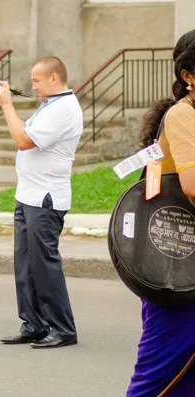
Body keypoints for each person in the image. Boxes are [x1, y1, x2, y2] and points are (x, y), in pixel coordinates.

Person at [125, 30, 195, 397]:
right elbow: (192, 185)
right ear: (188, 75)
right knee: (156, 379)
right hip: (178, 264)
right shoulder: (184, 115)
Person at [0, 57, 81, 349]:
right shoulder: (51, 106)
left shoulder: (65, 109)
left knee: (45, 265)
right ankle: (34, 324)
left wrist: (7, 104)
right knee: (25, 264)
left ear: (54, 78)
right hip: (28, 194)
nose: (33, 86)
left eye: (37, 80)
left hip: (46, 198)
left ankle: (63, 328)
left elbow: (23, 140)